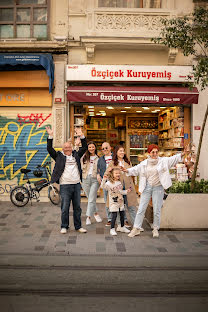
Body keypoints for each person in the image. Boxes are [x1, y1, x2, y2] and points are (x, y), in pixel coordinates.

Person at [122, 144, 184, 238]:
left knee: (157, 209)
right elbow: (135, 169)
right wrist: (127, 170)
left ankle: (155, 229)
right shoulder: (144, 163)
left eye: (156, 152)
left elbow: (174, 158)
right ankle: (136, 228)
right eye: (153, 152)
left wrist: (184, 153)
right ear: (149, 153)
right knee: (141, 208)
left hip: (158, 188)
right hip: (147, 187)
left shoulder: (163, 161)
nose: (155, 154)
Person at [46, 126, 87, 234]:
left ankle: (78, 226)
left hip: (76, 185)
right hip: (65, 186)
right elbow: (50, 149)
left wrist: (81, 135)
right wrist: (50, 136)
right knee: (65, 207)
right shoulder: (59, 156)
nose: (67, 150)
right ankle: (64, 226)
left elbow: (84, 147)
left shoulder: (76, 155)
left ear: (72, 148)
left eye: (69, 148)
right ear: (63, 149)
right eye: (65, 148)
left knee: (77, 208)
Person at [104, 145, 138, 230]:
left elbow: (132, 173)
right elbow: (107, 173)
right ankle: (120, 225)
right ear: (116, 152)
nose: (122, 152)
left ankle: (136, 226)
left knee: (131, 207)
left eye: (123, 151)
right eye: (120, 151)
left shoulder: (127, 162)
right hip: (117, 189)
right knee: (119, 207)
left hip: (128, 187)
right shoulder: (112, 163)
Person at [101, 167, 131, 236]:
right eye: (116, 173)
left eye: (119, 173)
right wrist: (104, 178)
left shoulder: (119, 182)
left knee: (122, 214)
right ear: (112, 174)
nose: (118, 174)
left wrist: (126, 191)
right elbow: (102, 186)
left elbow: (120, 192)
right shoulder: (109, 183)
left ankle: (122, 227)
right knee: (114, 216)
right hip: (113, 202)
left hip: (120, 202)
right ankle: (112, 229)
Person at [81, 141, 102, 225]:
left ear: (95, 148)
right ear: (87, 148)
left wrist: (99, 175)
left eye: (93, 147)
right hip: (85, 179)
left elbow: (101, 169)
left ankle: (88, 217)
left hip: (95, 180)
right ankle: (96, 213)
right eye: (89, 147)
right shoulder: (84, 157)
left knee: (91, 199)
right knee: (91, 199)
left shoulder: (99, 158)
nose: (91, 149)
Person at [97, 142, 113, 226]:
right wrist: (98, 175)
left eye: (106, 148)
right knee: (107, 200)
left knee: (119, 200)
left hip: (115, 182)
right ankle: (110, 219)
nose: (105, 150)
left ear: (110, 148)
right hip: (106, 182)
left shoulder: (115, 157)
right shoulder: (100, 159)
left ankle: (122, 219)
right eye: (103, 149)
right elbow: (98, 169)